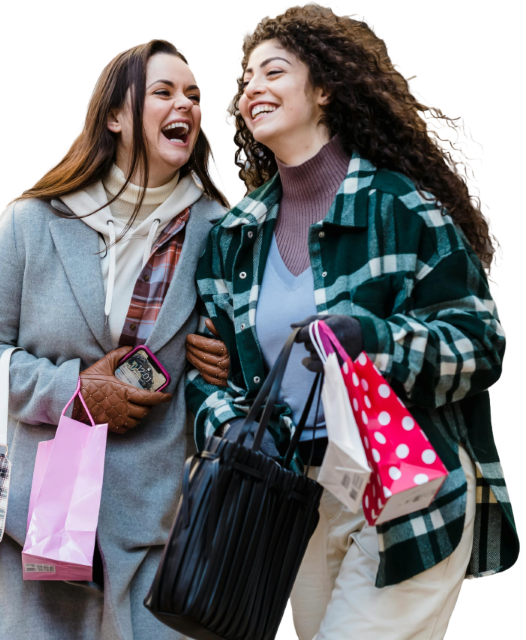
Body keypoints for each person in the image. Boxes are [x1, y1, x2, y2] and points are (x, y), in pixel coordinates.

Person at [184, 3, 519, 638]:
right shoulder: (236, 235)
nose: (252, 88)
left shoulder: (402, 208)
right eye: (247, 77)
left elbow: (480, 345)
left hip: (406, 488)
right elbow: (210, 372)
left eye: (273, 71)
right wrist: (233, 432)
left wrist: (378, 340)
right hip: (296, 497)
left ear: (326, 87)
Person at [0, 38, 228, 640]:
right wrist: (70, 390)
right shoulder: (34, 220)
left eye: (193, 96)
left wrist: (231, 361)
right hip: (36, 524)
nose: (185, 104)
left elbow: (242, 352)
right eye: (163, 92)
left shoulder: (223, 232)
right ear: (115, 115)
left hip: (162, 526)